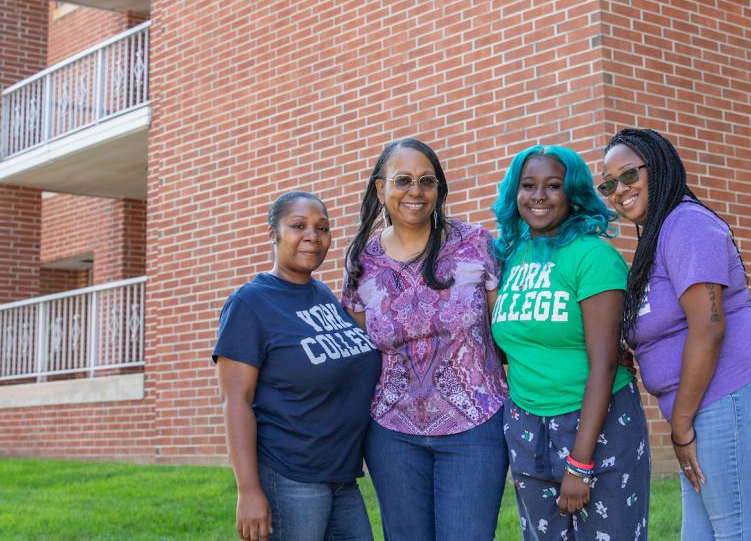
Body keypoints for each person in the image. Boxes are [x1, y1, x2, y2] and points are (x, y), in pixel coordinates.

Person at [601, 128, 751, 540]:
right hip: (707, 403)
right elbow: (663, 327)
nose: (619, 190)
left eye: (630, 175)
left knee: (737, 533)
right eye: (609, 184)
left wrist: (682, 426)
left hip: (734, 393)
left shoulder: (686, 224)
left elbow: (708, 329)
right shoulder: (658, 237)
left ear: (659, 169)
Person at [342, 138, 509, 541]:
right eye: (402, 180)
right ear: (380, 189)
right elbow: (359, 356)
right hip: (391, 433)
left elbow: (507, 334)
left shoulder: (477, 244)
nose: (415, 191)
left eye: (426, 181)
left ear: (439, 189)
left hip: (476, 427)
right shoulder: (361, 262)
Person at [490, 145, 650, 541]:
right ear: (515, 193)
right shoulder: (510, 260)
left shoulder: (593, 257)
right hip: (527, 424)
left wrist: (580, 463)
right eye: (528, 186)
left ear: (573, 193)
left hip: (597, 423)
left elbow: (605, 363)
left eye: (553, 186)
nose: (539, 195)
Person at [213, 191, 381, 541]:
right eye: (298, 226)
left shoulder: (324, 297)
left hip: (342, 476)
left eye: (323, 228)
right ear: (274, 232)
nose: (313, 236)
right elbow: (236, 401)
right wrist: (248, 490)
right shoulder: (249, 304)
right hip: (290, 475)